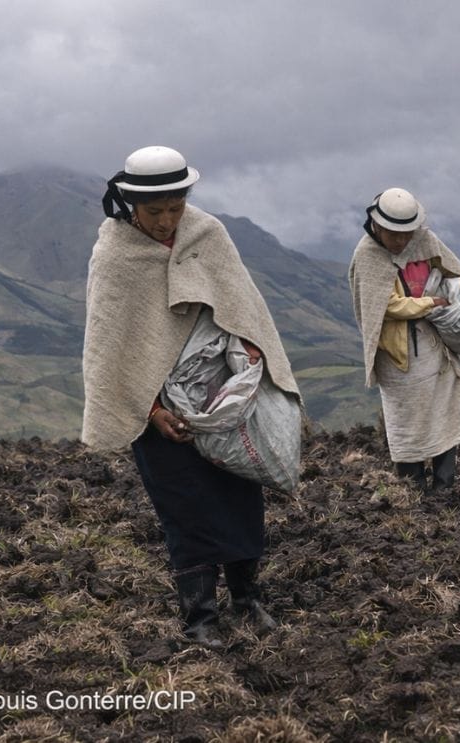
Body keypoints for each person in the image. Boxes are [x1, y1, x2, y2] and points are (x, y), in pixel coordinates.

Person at [82, 145, 301, 647]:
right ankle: (200, 617)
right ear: (129, 204)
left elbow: (243, 308)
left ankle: (248, 600)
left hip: (222, 399)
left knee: (240, 496)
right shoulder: (116, 255)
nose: (165, 221)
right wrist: (154, 410)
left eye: (175, 208)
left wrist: (247, 352)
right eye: (153, 211)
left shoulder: (207, 234)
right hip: (158, 410)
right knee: (185, 508)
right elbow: (109, 346)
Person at [348, 188, 460, 493]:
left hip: (435, 346)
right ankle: (413, 489)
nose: (401, 241)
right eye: (394, 234)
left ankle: (445, 488)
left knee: (444, 413)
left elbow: (457, 273)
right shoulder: (367, 255)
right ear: (377, 225)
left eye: (407, 233)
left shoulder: (425, 241)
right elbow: (385, 305)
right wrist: (429, 304)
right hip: (397, 356)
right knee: (407, 421)